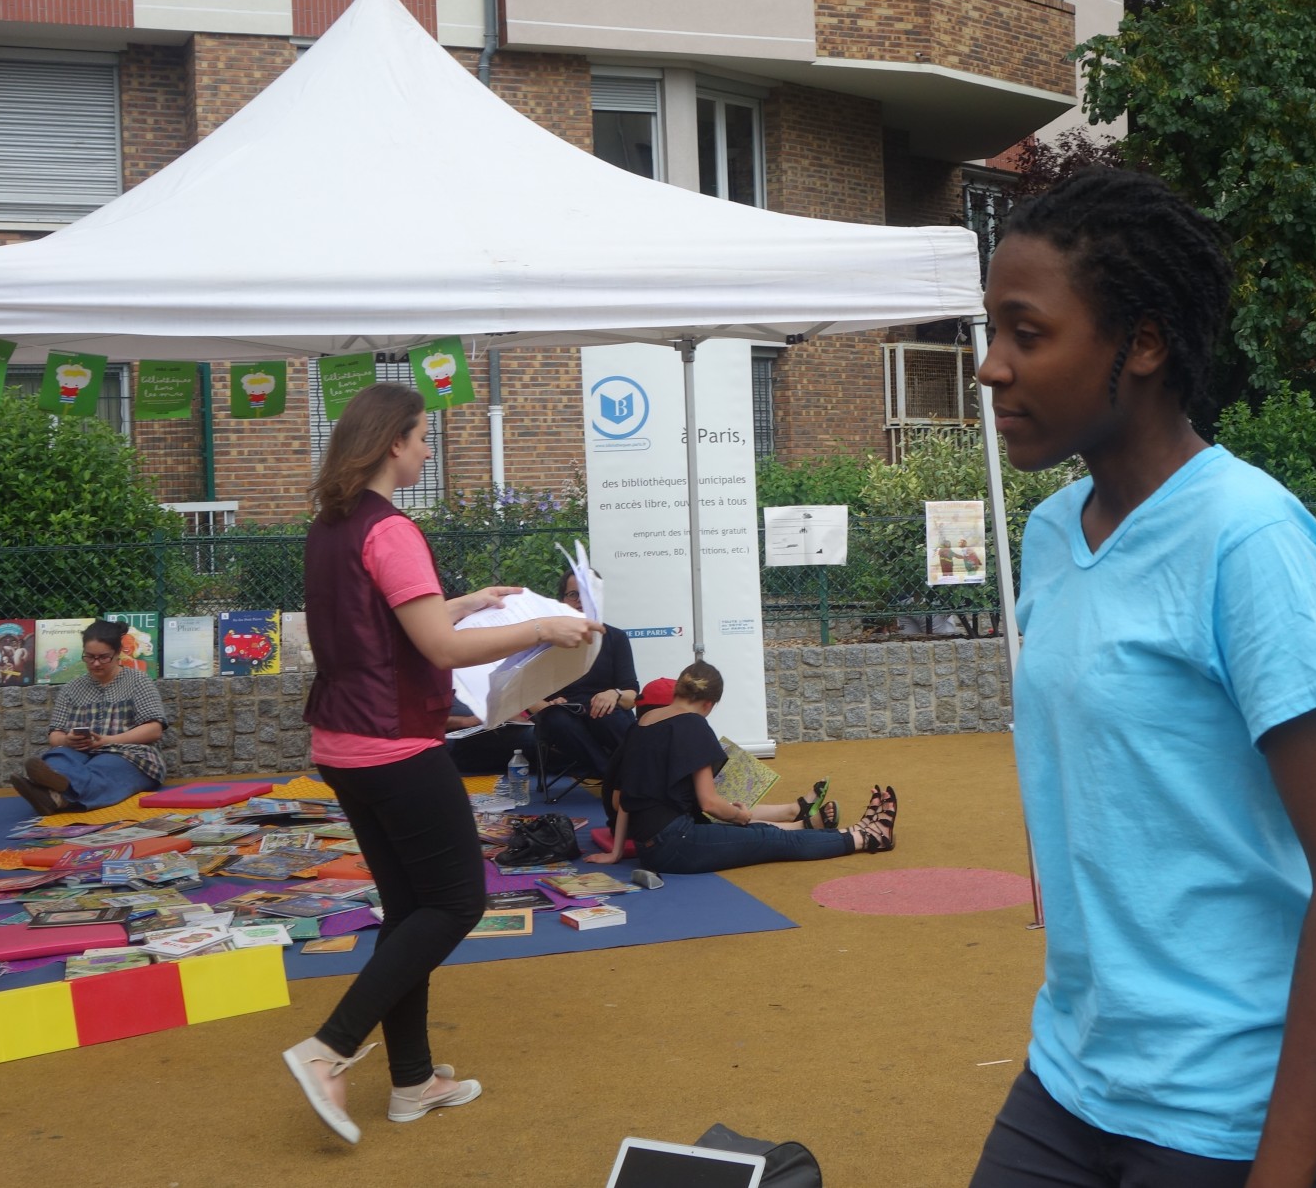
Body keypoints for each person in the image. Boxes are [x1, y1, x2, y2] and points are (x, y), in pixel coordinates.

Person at [969, 169, 1316, 1188]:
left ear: (1143, 345)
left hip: (1234, 1112)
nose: (989, 368)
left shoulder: (1245, 540)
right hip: (1073, 1077)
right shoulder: (1048, 535)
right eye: (988, 331)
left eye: (1026, 333)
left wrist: (1280, 1172)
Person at [280, 382, 597, 1146]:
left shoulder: (331, 525)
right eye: (423, 436)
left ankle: (414, 1078)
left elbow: (383, 625)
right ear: (393, 441)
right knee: (456, 903)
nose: (428, 448)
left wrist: (464, 599)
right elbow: (441, 651)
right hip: (394, 742)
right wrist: (548, 626)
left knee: (410, 909)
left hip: (343, 743)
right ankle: (330, 1047)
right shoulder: (390, 530)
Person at [587, 661, 893, 873]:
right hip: (675, 843)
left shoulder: (642, 723)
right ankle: (864, 837)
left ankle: (851, 831)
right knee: (768, 838)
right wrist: (740, 815)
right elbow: (709, 802)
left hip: (649, 846)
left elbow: (625, 798)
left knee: (764, 834)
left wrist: (616, 852)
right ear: (709, 704)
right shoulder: (692, 724)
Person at [10, 619, 169, 814]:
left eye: (103, 657)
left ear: (117, 653)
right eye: (89, 657)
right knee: (58, 757)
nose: (95, 663)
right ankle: (56, 794)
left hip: (128, 753)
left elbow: (154, 729)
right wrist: (67, 740)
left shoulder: (138, 681)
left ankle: (54, 796)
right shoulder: (72, 688)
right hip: (80, 753)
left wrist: (108, 740)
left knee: (105, 766)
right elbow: (55, 736)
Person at [531, 568, 638, 787]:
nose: (580, 600)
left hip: (605, 711)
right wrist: (548, 705)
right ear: (563, 600)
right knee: (556, 719)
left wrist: (614, 694)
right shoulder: (546, 641)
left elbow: (631, 696)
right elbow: (526, 694)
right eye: (573, 594)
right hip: (562, 714)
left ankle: (634, 773)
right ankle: (613, 777)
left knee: (606, 713)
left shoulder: (616, 638)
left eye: (588, 593)